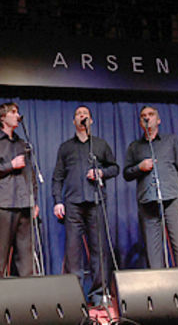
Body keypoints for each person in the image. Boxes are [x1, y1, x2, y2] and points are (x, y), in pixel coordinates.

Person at [52, 106, 119, 306]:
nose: (82, 117)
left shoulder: (100, 144)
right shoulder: (65, 147)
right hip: (72, 204)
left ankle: (99, 295)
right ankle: (76, 297)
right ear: (74, 121)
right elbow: (57, 177)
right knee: (73, 252)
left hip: (96, 202)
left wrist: (101, 173)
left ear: (91, 121)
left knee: (99, 249)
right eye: (79, 115)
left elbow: (115, 167)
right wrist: (58, 202)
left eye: (86, 115)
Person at [124, 106, 178, 268]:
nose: (147, 118)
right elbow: (126, 173)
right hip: (147, 201)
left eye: (151, 115)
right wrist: (139, 167)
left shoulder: (171, 140)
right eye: (143, 116)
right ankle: (160, 288)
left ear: (158, 120)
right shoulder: (135, 147)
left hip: (172, 198)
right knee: (152, 250)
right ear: (140, 122)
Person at [0, 102, 38, 277]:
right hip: (2, 203)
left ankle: (27, 299)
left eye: (18, 112)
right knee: (0, 255)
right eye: (13, 112)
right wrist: (9, 165)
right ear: (2, 117)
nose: (17, 115)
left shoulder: (22, 144)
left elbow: (31, 174)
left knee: (26, 255)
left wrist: (34, 201)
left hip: (24, 204)